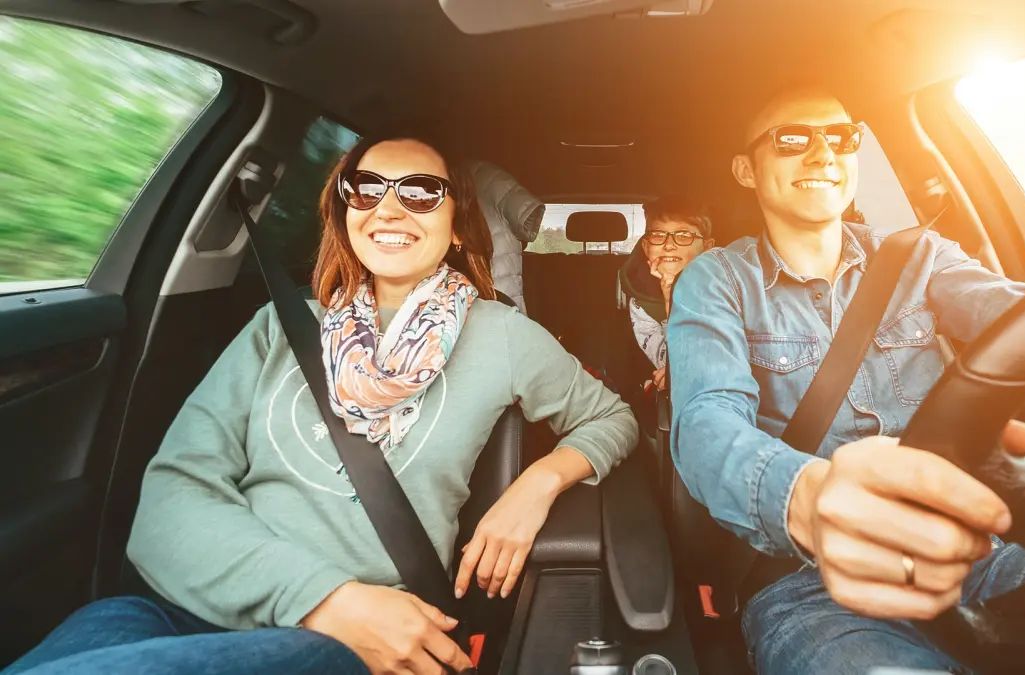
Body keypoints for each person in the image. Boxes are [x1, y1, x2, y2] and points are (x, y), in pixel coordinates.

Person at [5, 135, 638, 675]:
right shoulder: (279, 329)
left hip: (361, 634)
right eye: (367, 189)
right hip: (179, 607)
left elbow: (612, 416)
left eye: (420, 191)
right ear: (345, 210)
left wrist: (539, 482)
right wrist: (317, 595)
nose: (391, 208)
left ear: (457, 222)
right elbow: (173, 497)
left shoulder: (501, 335)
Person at [666, 85, 1025, 674]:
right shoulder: (716, 280)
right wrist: (810, 499)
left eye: (842, 137)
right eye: (793, 139)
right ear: (747, 168)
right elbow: (705, 421)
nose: (822, 155)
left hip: (979, 549)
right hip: (815, 583)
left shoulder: (920, 259)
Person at [618, 195, 714, 392]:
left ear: (707, 247)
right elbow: (668, 361)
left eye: (684, 236)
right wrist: (670, 294)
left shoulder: (726, 290)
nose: (669, 245)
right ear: (646, 247)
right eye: (658, 235)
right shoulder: (641, 302)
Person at [468, 159, 546, 314]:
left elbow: (528, 225)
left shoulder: (486, 177)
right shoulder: (488, 179)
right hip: (501, 288)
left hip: (496, 286)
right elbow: (527, 227)